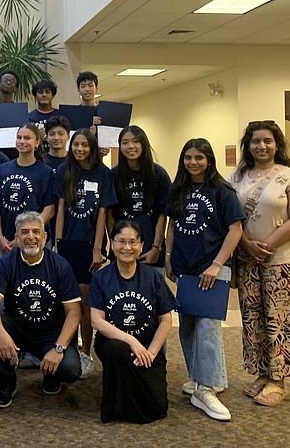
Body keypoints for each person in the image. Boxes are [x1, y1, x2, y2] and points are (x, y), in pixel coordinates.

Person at [229, 120, 290, 407]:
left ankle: (279, 379)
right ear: (247, 146)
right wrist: (248, 245)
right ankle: (263, 373)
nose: (261, 146)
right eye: (255, 141)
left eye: (267, 141)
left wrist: (268, 245)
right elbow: (230, 216)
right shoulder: (237, 176)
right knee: (254, 317)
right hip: (247, 258)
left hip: (283, 260)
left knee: (280, 318)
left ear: (277, 145)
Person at [165, 138, 244, 422]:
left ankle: (206, 388)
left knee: (208, 327)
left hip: (213, 267)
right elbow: (172, 225)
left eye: (199, 157)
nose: (193, 163)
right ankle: (198, 378)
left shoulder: (222, 191)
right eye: (188, 157)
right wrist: (168, 255)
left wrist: (217, 264)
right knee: (187, 326)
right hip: (186, 266)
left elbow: (235, 230)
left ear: (209, 160)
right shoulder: (179, 189)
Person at [0, 211, 82, 408]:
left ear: (45, 237)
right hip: (17, 330)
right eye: (24, 232)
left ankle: (51, 374)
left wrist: (58, 349)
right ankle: (7, 381)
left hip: (50, 334)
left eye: (36, 232)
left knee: (70, 369)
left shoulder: (60, 265)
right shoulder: (5, 263)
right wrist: (0, 333)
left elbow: (74, 311)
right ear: (16, 238)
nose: (30, 237)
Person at [88, 219, 177, 424]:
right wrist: (131, 341)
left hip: (148, 348)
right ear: (112, 244)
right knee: (116, 350)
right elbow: (96, 321)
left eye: (132, 242)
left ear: (141, 246)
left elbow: (165, 321)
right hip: (114, 344)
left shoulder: (153, 277)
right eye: (120, 241)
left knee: (157, 408)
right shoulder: (101, 277)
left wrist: (151, 352)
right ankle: (116, 407)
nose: (126, 247)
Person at [54, 127, 116, 378]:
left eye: (84, 145)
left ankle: (86, 353)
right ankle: (67, 348)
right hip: (67, 242)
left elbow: (103, 213)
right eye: (76, 144)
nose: (80, 149)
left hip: (91, 245)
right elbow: (60, 209)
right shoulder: (63, 171)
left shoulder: (102, 174)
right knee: (67, 303)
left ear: (92, 147)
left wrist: (97, 249)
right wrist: (57, 243)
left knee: (87, 304)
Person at [109, 125, 172, 270]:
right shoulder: (113, 175)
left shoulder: (159, 174)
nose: (130, 146)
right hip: (122, 251)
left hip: (151, 250)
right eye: (125, 142)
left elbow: (163, 215)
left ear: (143, 143)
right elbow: (109, 214)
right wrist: (115, 245)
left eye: (135, 141)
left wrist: (156, 248)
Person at [0, 123, 54, 255]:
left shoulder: (45, 172)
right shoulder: (2, 169)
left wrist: (23, 236)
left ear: (37, 143)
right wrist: (0, 238)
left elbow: (49, 210)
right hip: (5, 242)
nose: (22, 141)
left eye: (27, 138)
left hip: (32, 241)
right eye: (19, 137)